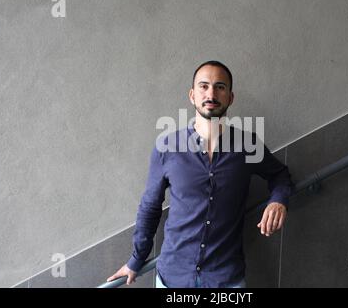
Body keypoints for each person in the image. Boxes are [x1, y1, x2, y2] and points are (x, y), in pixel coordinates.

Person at [107, 61, 294, 288]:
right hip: (173, 278)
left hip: (226, 279)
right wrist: (136, 260)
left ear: (230, 98)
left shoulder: (248, 145)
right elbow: (150, 206)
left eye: (220, 87)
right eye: (203, 86)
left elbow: (280, 175)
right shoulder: (167, 146)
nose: (211, 93)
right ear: (192, 95)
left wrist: (278, 201)